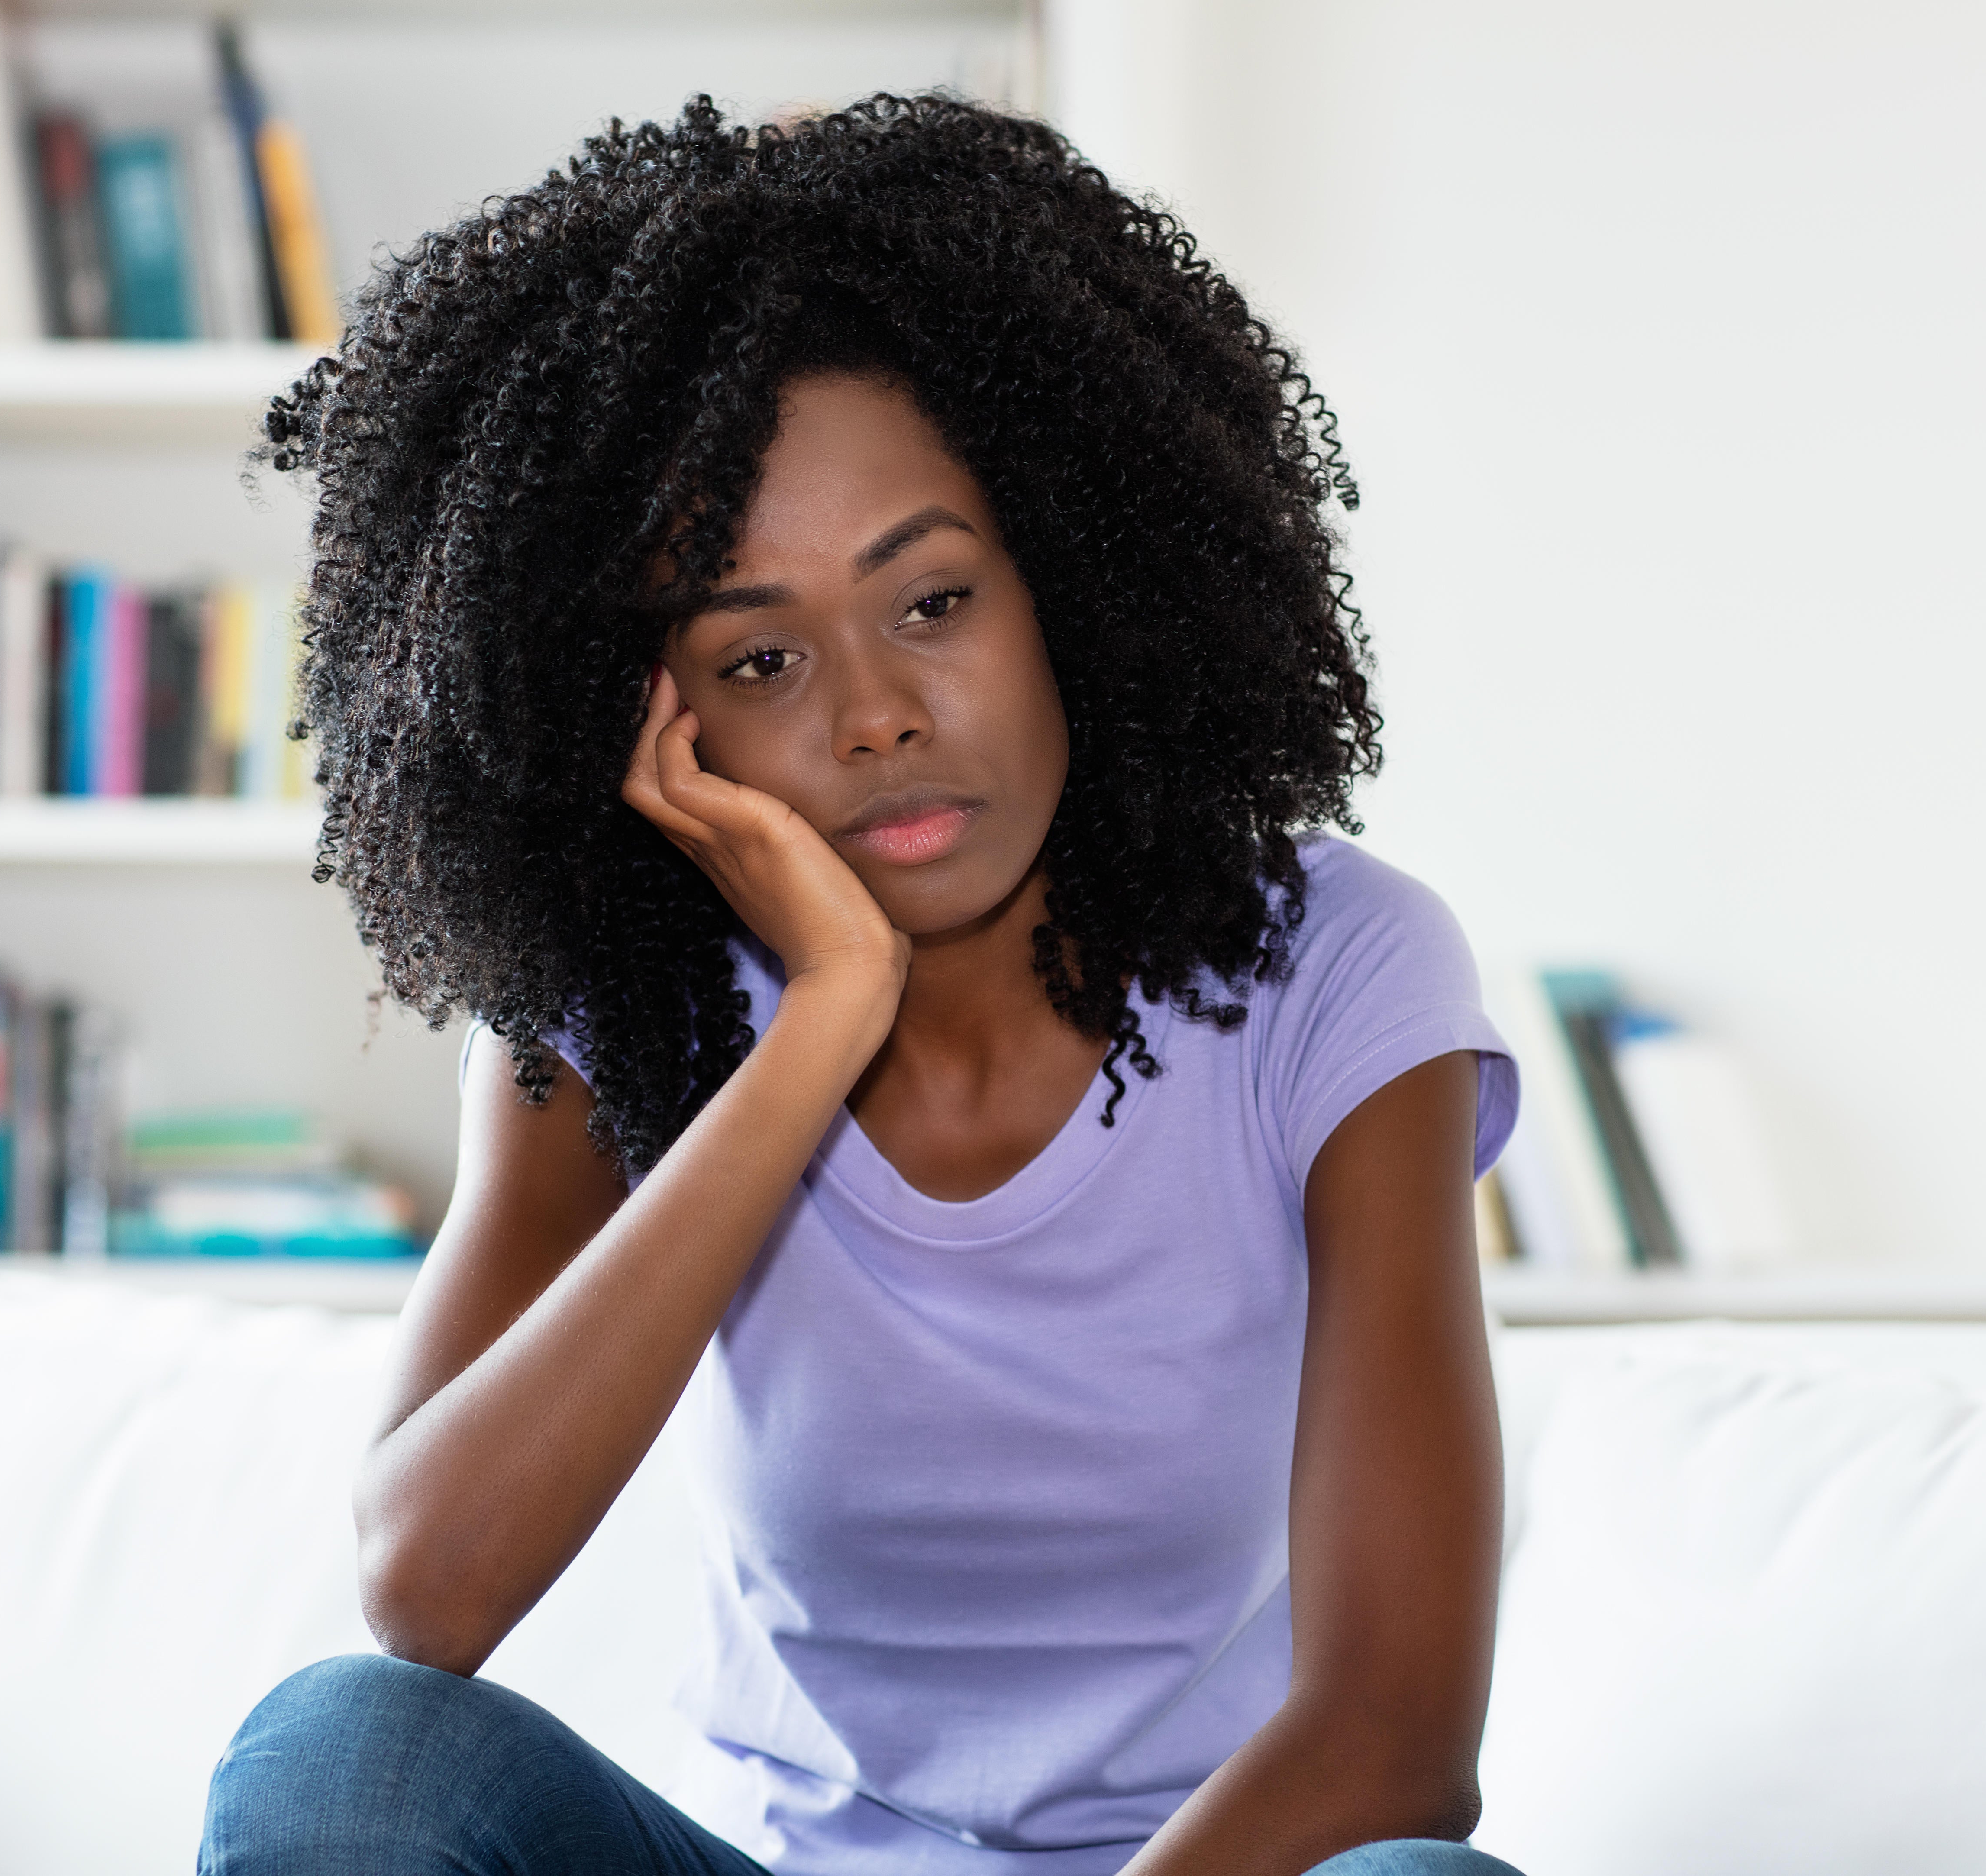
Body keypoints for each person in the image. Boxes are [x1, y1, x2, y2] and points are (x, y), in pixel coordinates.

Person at [200, 92, 1526, 1876]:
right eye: (761, 652)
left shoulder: (1336, 971)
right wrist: (816, 1022)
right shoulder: (628, 1012)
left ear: (1067, 575)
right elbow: (423, 1592)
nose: (875, 713)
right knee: (339, 1763)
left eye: (929, 603)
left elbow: (1395, 1732)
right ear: (659, 720)